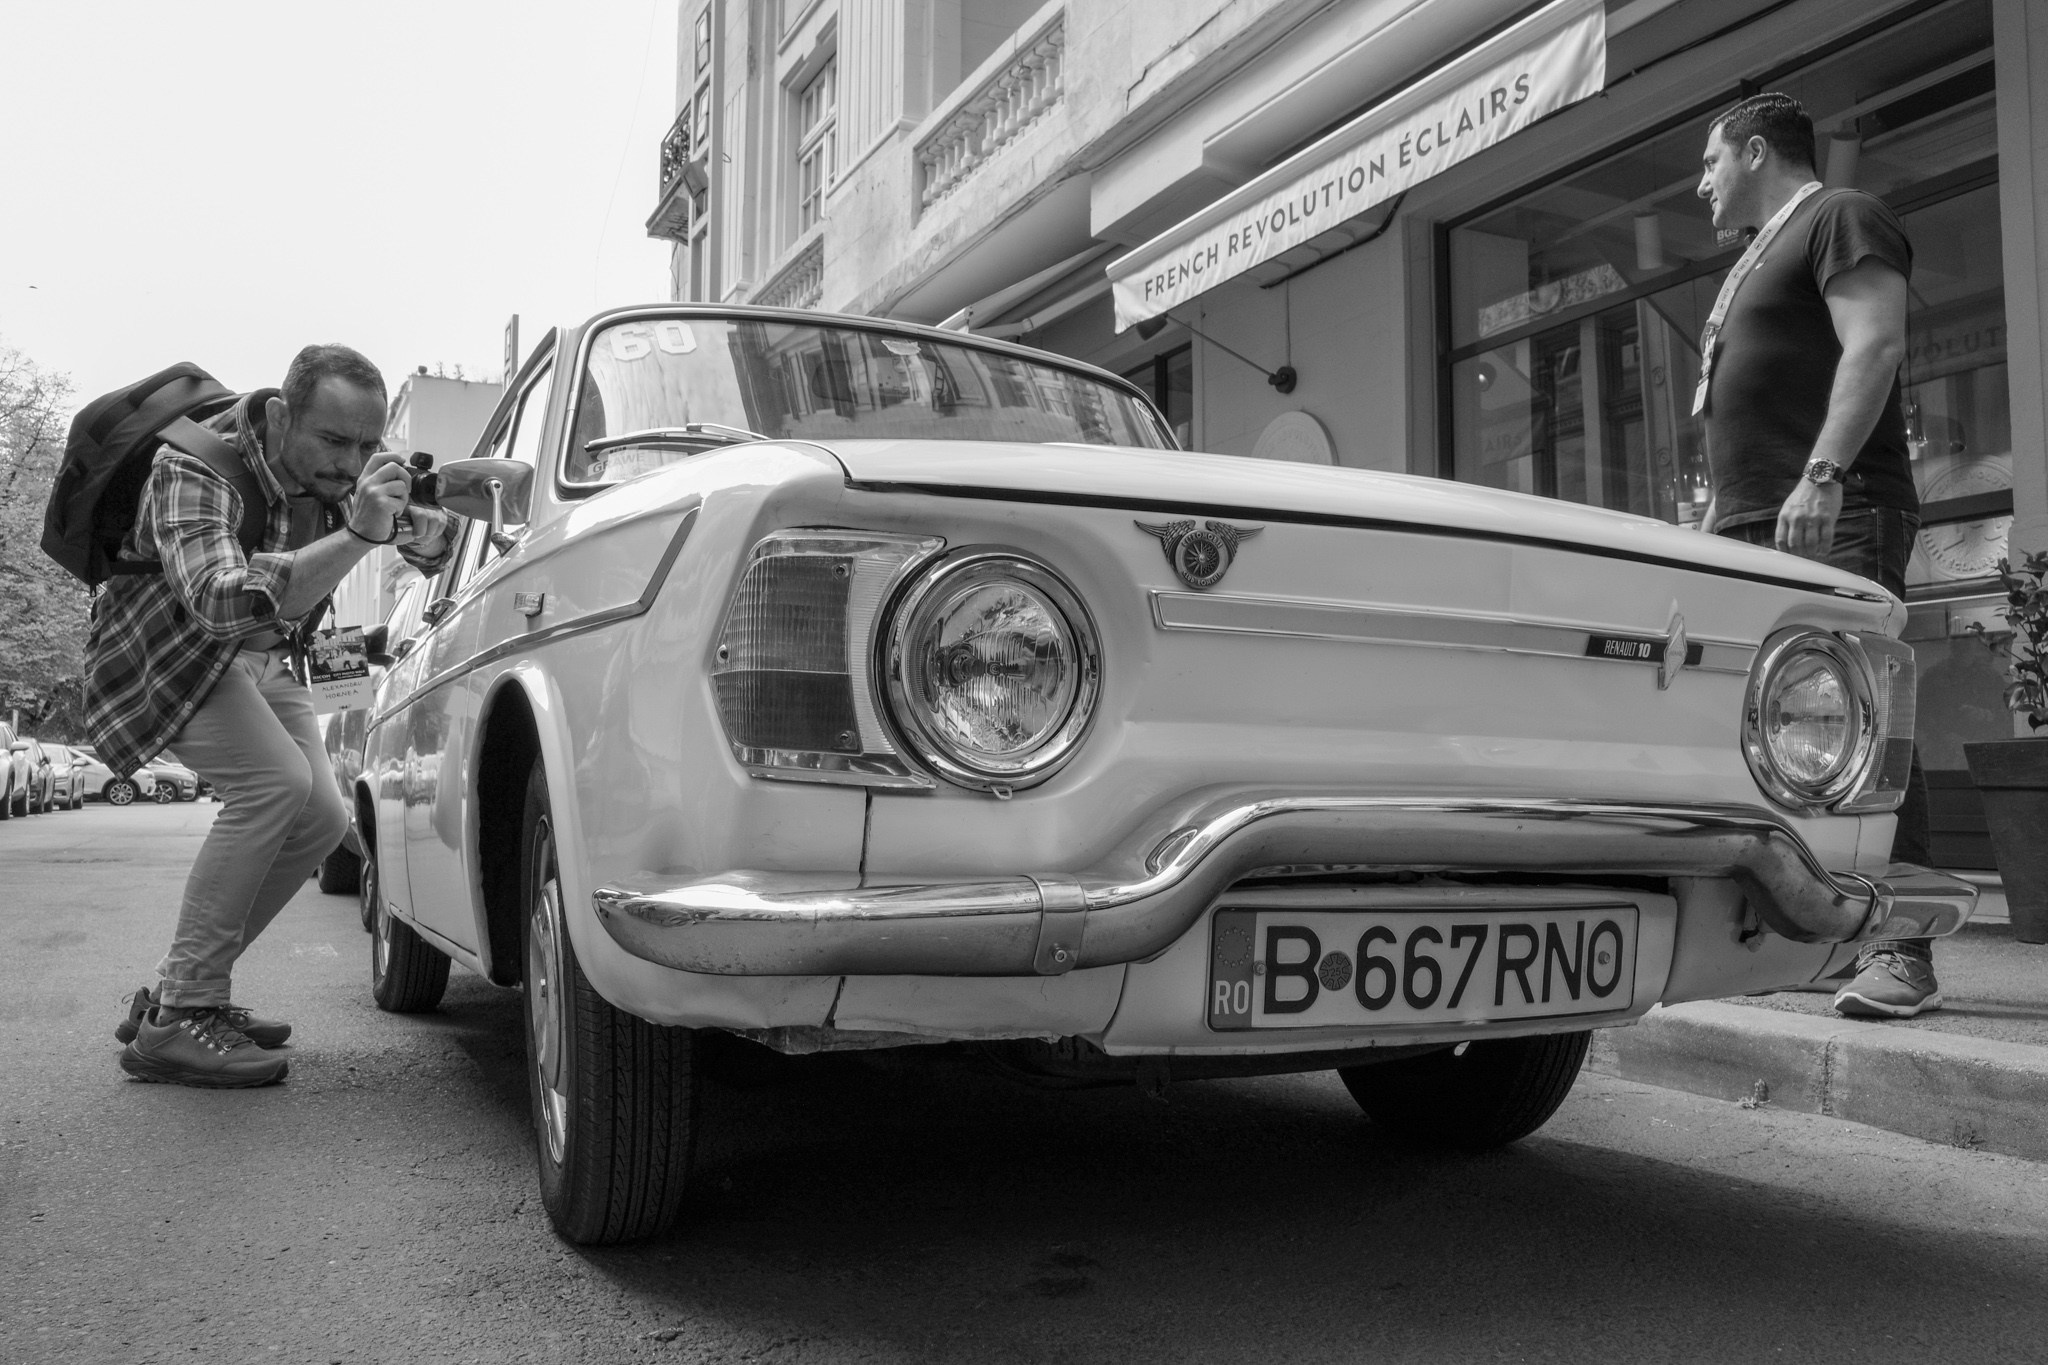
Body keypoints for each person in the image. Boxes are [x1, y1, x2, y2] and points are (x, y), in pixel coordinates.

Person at [89, 345, 455, 1086]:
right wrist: (360, 534)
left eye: (367, 445)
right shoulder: (193, 467)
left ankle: (177, 991)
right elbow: (220, 603)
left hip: (268, 656)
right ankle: (181, 1016)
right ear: (283, 416)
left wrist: (428, 529)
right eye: (335, 440)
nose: (351, 462)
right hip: (176, 656)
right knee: (274, 784)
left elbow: (432, 550)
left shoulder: (341, 472)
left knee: (322, 818)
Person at [1692, 92, 1938, 1018]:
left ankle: (1905, 949)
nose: (1702, 185)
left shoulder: (1839, 215)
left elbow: (1875, 343)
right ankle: (1818, 933)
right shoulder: (1760, 253)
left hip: (1833, 508)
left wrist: (1823, 473)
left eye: (1711, 162)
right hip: (1753, 524)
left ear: (1757, 151)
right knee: (1781, 730)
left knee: (1868, 720)